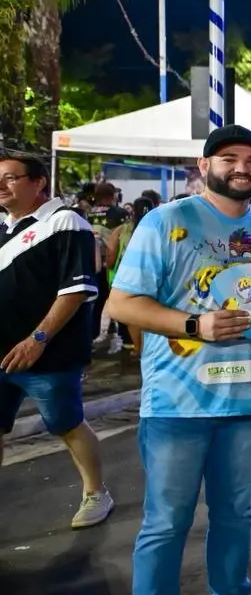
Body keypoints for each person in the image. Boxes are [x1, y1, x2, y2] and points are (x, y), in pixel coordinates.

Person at [107, 125, 251, 595]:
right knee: (166, 524)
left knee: (235, 515)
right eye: (229, 158)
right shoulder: (165, 221)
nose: (242, 168)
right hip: (176, 404)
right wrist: (193, 325)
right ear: (204, 166)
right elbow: (121, 304)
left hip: (246, 400)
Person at [0, 153, 113, 529]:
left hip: (48, 354)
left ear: (38, 182)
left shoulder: (65, 222)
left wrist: (38, 339)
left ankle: (96, 492)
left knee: (66, 423)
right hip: (2, 350)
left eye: (10, 177)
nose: (1, 185)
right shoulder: (3, 226)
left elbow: (75, 290)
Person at [106, 197, 156, 364]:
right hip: (153, 276)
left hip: (127, 277)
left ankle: (137, 348)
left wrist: (108, 268)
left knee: (132, 315)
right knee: (151, 312)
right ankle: (149, 347)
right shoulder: (158, 227)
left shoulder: (122, 230)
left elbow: (111, 256)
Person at [86, 181, 127, 353]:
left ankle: (91, 336)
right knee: (121, 299)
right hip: (114, 265)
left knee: (96, 301)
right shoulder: (120, 213)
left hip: (92, 263)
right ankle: (125, 337)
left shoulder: (88, 214)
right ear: (112, 196)